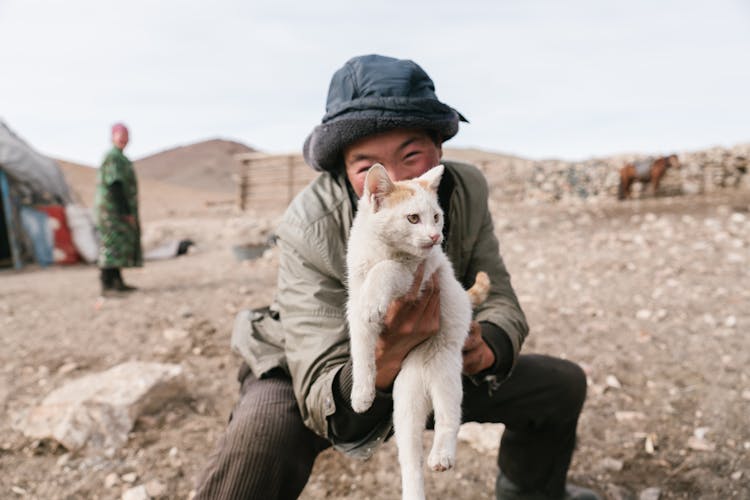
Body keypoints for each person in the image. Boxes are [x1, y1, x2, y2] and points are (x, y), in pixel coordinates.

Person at [196, 54, 600, 500]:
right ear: (347, 173)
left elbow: (497, 292)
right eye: (367, 166)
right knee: (262, 432)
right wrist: (387, 353)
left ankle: (530, 493)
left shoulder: (464, 191)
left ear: (438, 149)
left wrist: (486, 349)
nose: (398, 179)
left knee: (560, 386)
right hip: (326, 362)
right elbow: (317, 382)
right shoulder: (308, 224)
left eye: (411, 154)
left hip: (432, 354)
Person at [94, 122, 142, 295]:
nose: (123, 139)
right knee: (111, 245)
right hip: (111, 211)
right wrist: (125, 211)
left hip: (115, 211)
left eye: (126, 135)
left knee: (118, 246)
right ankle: (107, 285)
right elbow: (115, 185)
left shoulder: (120, 157)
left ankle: (117, 281)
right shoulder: (113, 157)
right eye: (119, 135)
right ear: (112, 137)